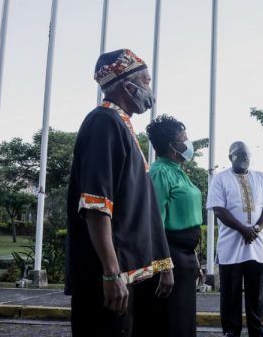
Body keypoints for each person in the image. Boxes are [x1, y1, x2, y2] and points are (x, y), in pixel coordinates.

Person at [65, 49, 174, 337]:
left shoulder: (120, 124)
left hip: (122, 277)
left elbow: (143, 207)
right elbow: (95, 205)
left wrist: (163, 264)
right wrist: (111, 273)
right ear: (128, 86)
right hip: (106, 279)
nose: (150, 90)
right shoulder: (104, 123)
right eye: (146, 81)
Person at [138, 114, 204, 337]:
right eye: (184, 139)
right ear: (171, 145)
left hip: (183, 257)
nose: (188, 143)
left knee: (183, 322)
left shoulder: (178, 170)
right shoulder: (159, 172)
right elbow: (153, 223)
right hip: (168, 259)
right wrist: (164, 268)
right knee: (168, 323)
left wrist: (193, 254)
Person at [206, 141, 263, 337]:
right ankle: (231, 331)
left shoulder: (261, 178)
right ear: (230, 157)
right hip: (231, 248)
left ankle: (258, 331)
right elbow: (219, 210)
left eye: (247, 155)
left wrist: (256, 228)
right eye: (239, 155)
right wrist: (243, 230)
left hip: (257, 245)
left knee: (256, 295)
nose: (244, 158)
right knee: (231, 294)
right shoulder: (220, 179)